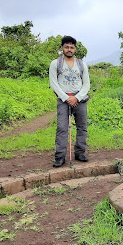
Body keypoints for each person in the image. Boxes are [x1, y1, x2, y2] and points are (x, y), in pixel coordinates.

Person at [49, 36, 90, 167]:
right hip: (63, 100)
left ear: (75, 49)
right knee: (61, 128)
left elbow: (86, 84)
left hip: (80, 99)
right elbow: (53, 83)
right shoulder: (55, 63)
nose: (69, 49)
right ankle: (60, 157)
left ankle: (80, 153)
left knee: (82, 127)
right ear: (62, 48)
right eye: (66, 47)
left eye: (72, 47)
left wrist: (77, 97)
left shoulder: (81, 64)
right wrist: (67, 98)